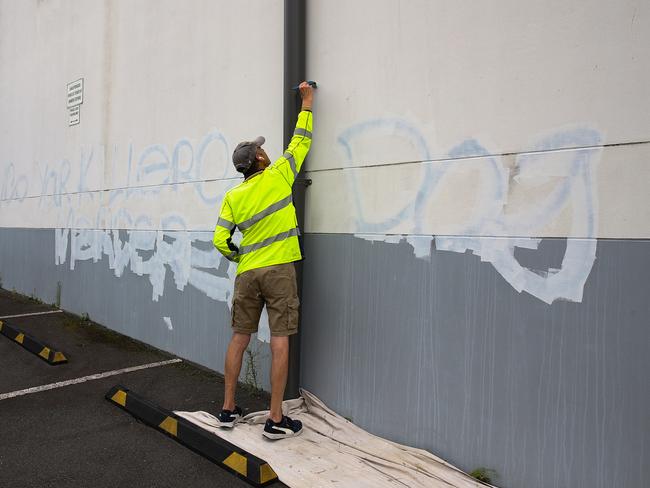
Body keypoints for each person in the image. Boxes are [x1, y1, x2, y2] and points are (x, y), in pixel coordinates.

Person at [212, 81, 314, 440]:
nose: (265, 152)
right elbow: (300, 142)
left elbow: (219, 239)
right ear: (258, 159)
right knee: (280, 340)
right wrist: (308, 103)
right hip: (279, 270)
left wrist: (240, 255)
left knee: (239, 338)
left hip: (247, 273)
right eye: (261, 149)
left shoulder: (233, 196)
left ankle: (227, 409)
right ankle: (275, 418)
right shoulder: (278, 175)